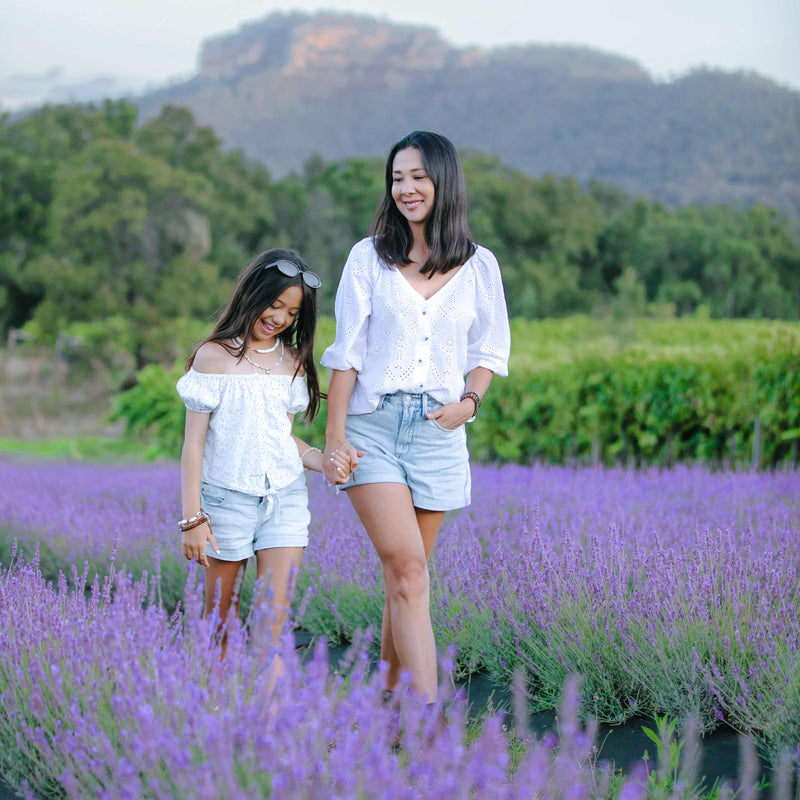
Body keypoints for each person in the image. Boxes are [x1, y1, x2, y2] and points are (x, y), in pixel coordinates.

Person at [321, 131, 511, 703]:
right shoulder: (368, 257)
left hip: (438, 432)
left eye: (418, 177)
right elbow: (347, 354)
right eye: (398, 178)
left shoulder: (480, 267)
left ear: (443, 182)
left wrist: (469, 404)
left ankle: (384, 707)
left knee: (407, 581)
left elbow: (491, 351)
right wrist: (334, 439)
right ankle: (429, 723)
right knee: (408, 571)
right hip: (371, 430)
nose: (406, 188)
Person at [176, 248, 349, 671]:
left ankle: (270, 720)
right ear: (252, 294)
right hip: (226, 502)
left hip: (285, 502)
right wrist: (193, 519)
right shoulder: (213, 356)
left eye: (292, 313)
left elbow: (283, 437)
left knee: (274, 619)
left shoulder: (291, 362)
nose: (281, 318)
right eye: (275, 305)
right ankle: (214, 709)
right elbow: (193, 444)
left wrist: (323, 461)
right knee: (219, 618)